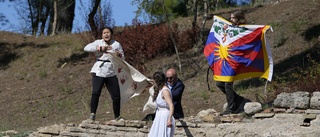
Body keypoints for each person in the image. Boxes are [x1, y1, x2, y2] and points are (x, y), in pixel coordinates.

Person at [84, 27, 125, 120]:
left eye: (108, 32)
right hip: (99, 70)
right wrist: (99, 48)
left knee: (116, 96)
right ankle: (92, 114)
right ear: (102, 35)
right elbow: (86, 48)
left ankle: (117, 116)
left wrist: (119, 56)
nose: (106, 34)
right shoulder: (98, 42)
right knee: (95, 93)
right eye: (104, 33)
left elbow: (123, 58)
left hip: (111, 71)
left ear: (111, 34)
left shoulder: (116, 44)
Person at [217, 10, 249, 115]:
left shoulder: (243, 29)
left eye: (233, 18)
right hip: (226, 59)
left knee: (228, 83)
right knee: (219, 83)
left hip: (235, 60)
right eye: (230, 18)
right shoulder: (230, 28)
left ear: (239, 19)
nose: (231, 20)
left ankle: (231, 108)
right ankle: (239, 100)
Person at [148, 71, 175, 137]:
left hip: (165, 116)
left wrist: (169, 119)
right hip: (159, 116)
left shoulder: (165, 91)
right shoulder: (161, 90)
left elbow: (171, 105)